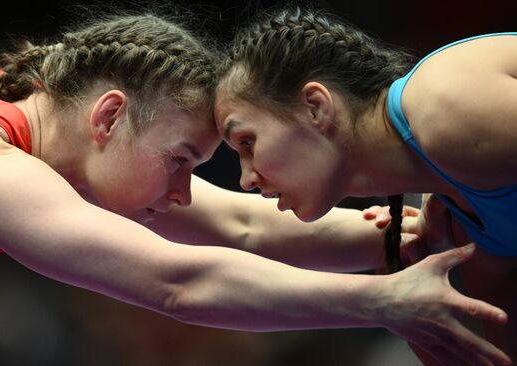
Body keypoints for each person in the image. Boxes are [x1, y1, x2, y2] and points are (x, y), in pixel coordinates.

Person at [0, 9, 509, 366]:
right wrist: (382, 300)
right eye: (180, 160)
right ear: (109, 117)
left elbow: (239, 226)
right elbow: (177, 281)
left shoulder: (32, 121)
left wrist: (399, 237)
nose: (183, 193)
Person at [214, 6, 517, 365]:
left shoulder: (447, 112)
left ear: (315, 107)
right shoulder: (450, 211)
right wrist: (409, 312)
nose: (245, 179)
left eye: (247, 142)